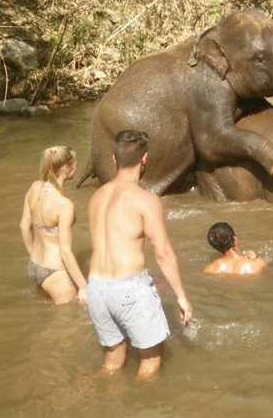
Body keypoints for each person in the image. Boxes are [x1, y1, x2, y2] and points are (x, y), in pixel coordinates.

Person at [86, 130, 193, 380]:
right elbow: (163, 252)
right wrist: (181, 296)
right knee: (152, 359)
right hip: (128, 289)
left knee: (112, 361)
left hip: (97, 288)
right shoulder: (145, 200)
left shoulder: (96, 197)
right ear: (145, 159)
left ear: (114, 159)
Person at [19, 145, 87, 305]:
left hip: (35, 267)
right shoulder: (64, 204)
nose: (77, 166)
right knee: (70, 325)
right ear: (65, 167)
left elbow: (23, 226)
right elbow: (65, 251)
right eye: (74, 163)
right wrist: (83, 286)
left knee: (49, 323)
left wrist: (33, 255)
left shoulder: (34, 187)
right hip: (56, 272)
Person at [203, 222, 268, 275]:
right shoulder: (258, 263)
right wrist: (255, 257)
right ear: (235, 238)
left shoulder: (209, 269)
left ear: (215, 246)